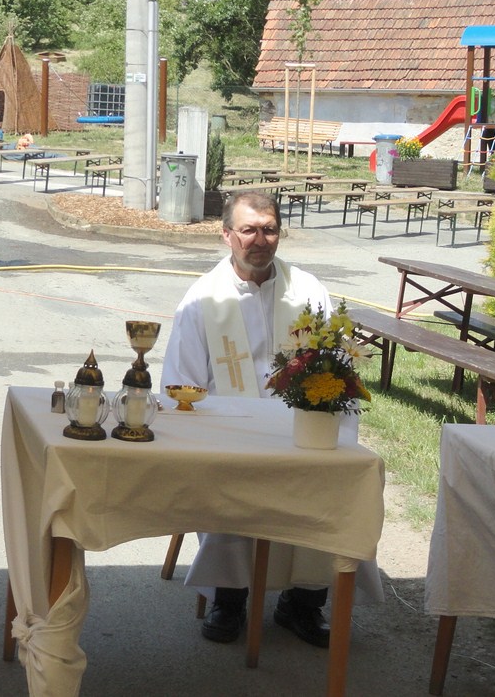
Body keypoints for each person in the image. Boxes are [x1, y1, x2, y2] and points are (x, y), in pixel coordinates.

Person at [160, 190, 377, 649]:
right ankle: (229, 597)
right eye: (248, 230)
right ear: (226, 235)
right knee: (233, 483)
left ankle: (304, 601)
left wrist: (336, 435)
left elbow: (338, 368)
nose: (259, 241)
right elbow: (181, 384)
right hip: (228, 433)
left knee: (327, 486)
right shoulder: (202, 299)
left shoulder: (308, 292)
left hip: (301, 430)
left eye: (269, 230)